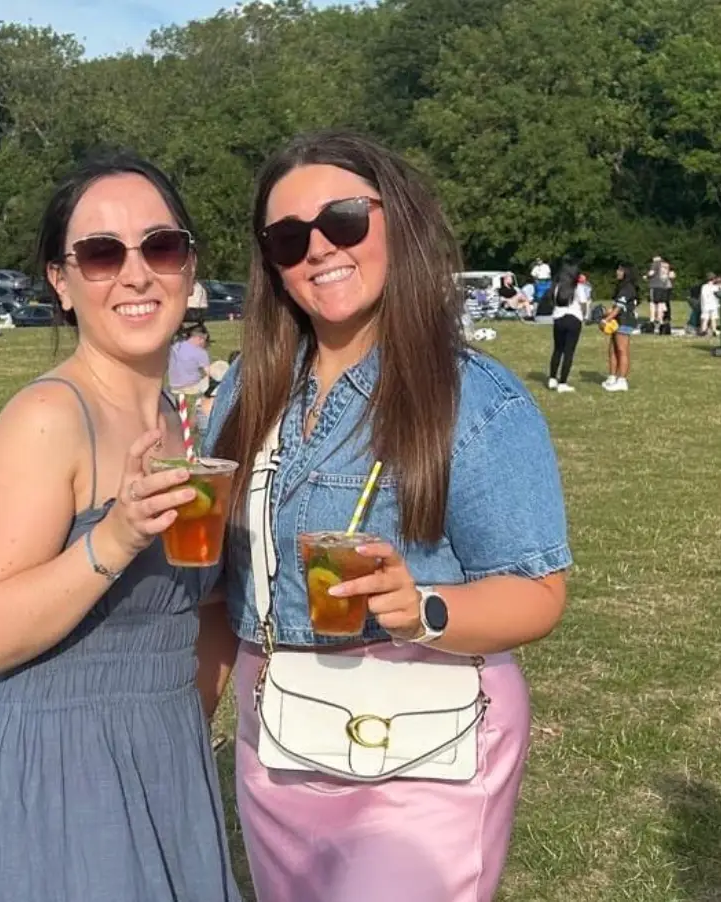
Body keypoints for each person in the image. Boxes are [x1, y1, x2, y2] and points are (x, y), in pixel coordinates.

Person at [201, 129, 571, 902]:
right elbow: (218, 591)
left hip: (419, 743)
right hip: (278, 738)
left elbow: (535, 592)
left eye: (343, 218)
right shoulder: (246, 389)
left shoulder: (474, 398)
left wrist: (420, 607)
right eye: (287, 236)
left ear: (396, 220)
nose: (318, 248)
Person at [0, 153, 240, 902]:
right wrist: (114, 538)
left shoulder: (175, 417)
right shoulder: (48, 417)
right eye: (102, 254)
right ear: (61, 281)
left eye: (160, 246)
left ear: (188, 266)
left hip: (168, 762)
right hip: (64, 781)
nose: (136, 274)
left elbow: (191, 615)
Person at [548, 264, 586, 392]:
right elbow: (583, 303)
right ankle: (563, 383)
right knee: (569, 352)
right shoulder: (577, 287)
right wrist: (585, 316)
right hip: (574, 318)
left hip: (558, 318)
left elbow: (552, 301)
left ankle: (552, 378)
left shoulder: (556, 286)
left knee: (557, 349)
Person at [602, 264, 639, 392]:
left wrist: (605, 320)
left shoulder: (628, 288)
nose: (617, 272)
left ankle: (622, 380)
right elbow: (615, 307)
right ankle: (612, 377)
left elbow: (618, 309)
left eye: (620, 270)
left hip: (624, 322)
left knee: (622, 350)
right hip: (617, 321)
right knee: (612, 350)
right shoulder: (621, 287)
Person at [168, 322, 211, 395]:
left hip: (174, 387)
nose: (204, 343)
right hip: (192, 388)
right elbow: (209, 373)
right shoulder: (200, 352)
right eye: (204, 340)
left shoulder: (175, 346)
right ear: (200, 338)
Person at [699, 272, 719, 337]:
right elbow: (718, 295)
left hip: (705, 305)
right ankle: (714, 331)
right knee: (713, 318)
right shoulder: (715, 287)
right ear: (713, 279)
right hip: (713, 304)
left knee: (705, 318)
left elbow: (703, 296)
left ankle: (703, 331)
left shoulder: (704, 286)